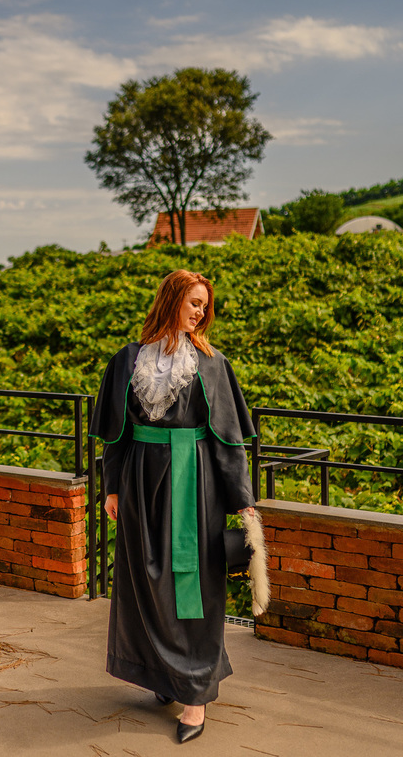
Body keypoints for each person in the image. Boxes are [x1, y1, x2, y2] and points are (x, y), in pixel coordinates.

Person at [88, 269, 264, 745]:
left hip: (193, 485)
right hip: (140, 483)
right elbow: (117, 434)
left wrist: (243, 501)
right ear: (170, 301)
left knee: (193, 587)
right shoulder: (127, 361)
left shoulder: (211, 364)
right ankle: (164, 674)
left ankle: (195, 697)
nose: (201, 312)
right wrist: (111, 488)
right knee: (146, 581)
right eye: (193, 302)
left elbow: (228, 443)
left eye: (205, 305)